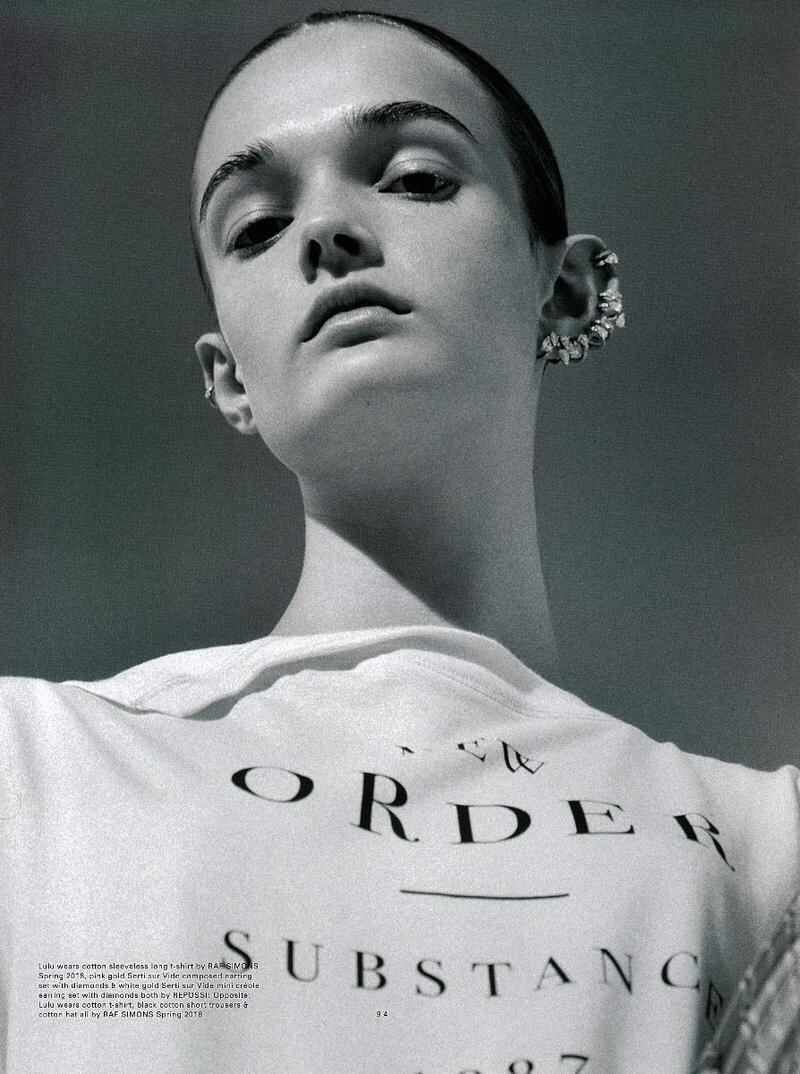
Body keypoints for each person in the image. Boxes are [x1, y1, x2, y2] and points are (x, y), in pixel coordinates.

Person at [1, 9, 798, 1073]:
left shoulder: (767, 845)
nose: (326, 230)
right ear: (229, 379)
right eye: (255, 227)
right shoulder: (32, 767)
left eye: (417, 178)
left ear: (564, 288)